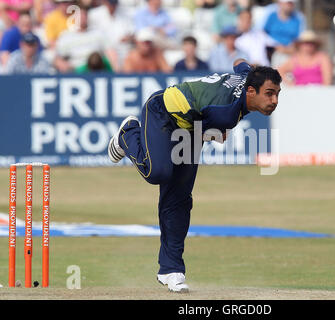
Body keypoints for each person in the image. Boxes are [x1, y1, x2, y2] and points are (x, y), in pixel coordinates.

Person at [107, 59, 282, 292]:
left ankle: (171, 270)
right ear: (251, 90)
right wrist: (217, 135)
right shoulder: (226, 113)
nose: (274, 101)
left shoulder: (248, 75)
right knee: (157, 172)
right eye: (269, 94)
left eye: (278, 94)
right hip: (163, 112)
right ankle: (128, 133)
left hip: (189, 126)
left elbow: (239, 63)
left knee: (178, 200)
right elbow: (209, 132)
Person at [53, 7, 106, 72]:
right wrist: (65, 66)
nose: (82, 18)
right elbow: (57, 59)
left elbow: (109, 52)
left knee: (95, 58)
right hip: (74, 71)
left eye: (84, 15)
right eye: (80, 16)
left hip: (95, 68)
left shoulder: (97, 34)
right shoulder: (66, 36)